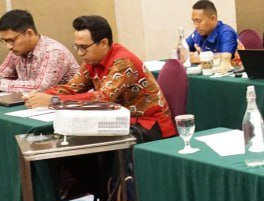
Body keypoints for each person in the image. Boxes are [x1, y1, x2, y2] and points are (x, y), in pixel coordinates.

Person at [26, 15, 175, 140]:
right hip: (119, 121)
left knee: (82, 140)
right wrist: (40, 96)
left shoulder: (123, 62)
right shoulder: (92, 59)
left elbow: (103, 98)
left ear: (103, 43)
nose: (80, 53)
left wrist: (54, 101)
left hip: (147, 125)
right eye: (76, 47)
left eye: (84, 47)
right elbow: (72, 88)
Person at [0, 9, 80, 93]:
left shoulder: (54, 52)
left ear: (29, 33)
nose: (9, 46)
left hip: (63, 105)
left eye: (11, 40)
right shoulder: (16, 51)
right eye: (5, 41)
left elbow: (41, 87)